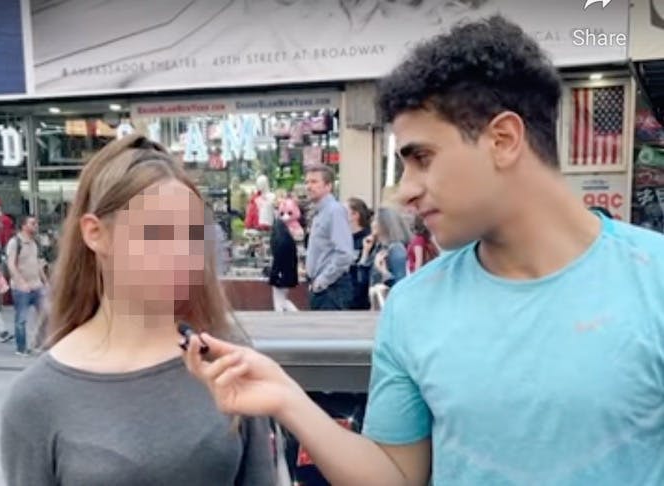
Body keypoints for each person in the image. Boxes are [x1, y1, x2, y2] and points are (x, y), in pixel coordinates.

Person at [181, 15, 664, 486]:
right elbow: (395, 472)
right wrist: (287, 398)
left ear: (503, 140)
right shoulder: (415, 304)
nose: (405, 192)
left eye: (422, 159)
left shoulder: (652, 278)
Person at [0, 135, 276, 485]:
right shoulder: (37, 398)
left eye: (192, 234)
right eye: (158, 233)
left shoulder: (224, 356)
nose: (182, 253)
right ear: (95, 233)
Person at [304, 164, 356, 310]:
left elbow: (344, 253)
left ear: (328, 186)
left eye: (314, 182)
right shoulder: (319, 213)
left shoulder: (334, 211)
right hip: (322, 288)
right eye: (307, 182)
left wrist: (322, 281)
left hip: (332, 289)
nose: (309, 186)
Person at [6, 215, 48, 356]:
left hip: (36, 285)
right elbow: (11, 265)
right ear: (24, 226)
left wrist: (45, 281)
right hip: (22, 287)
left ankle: (39, 344)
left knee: (45, 314)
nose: (36, 226)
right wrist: (20, 282)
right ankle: (21, 347)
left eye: (36, 223)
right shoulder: (15, 242)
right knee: (21, 318)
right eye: (32, 223)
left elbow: (38, 264)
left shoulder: (34, 243)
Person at [358, 207, 410, 308]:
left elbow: (400, 283)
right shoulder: (378, 248)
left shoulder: (396, 249)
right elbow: (362, 282)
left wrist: (384, 271)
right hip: (375, 305)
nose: (372, 224)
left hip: (389, 306)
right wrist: (365, 253)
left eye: (375, 221)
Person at [346, 197, 372, 309]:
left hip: (361, 295)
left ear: (355, 215)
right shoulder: (344, 238)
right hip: (346, 293)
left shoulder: (368, 238)